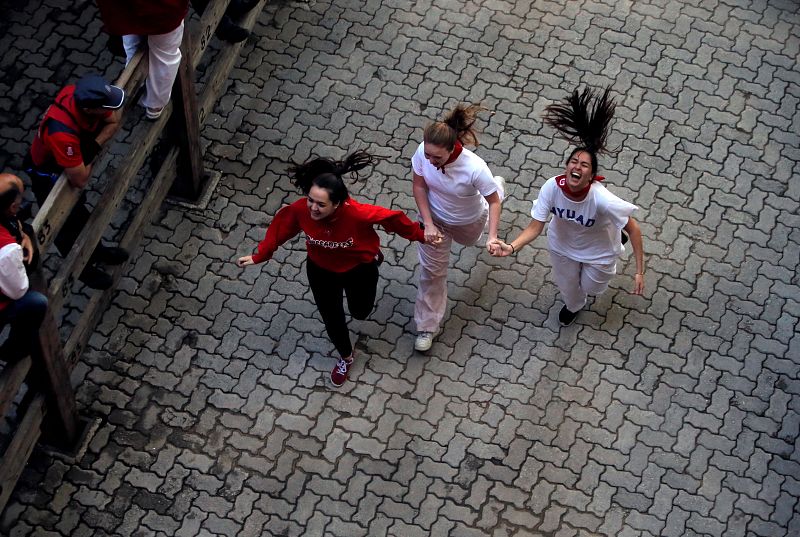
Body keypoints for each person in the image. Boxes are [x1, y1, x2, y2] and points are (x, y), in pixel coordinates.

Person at [236, 151, 430, 387]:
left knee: (360, 312)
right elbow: (280, 230)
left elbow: (393, 219)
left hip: (359, 268)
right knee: (332, 316)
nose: (313, 209)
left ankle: (373, 256)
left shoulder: (357, 214)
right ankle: (346, 357)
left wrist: (422, 235)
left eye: (321, 204)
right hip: (320, 270)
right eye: (310, 200)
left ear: (337, 204)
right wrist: (260, 256)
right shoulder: (300, 211)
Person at [488, 87, 645, 326]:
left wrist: (639, 271)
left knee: (593, 287)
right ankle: (574, 306)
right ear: (566, 166)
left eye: (584, 165)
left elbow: (634, 229)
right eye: (573, 161)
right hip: (562, 246)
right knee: (571, 289)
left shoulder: (602, 199)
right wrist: (512, 247)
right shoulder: (552, 187)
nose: (577, 166)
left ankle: (616, 240)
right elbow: (535, 227)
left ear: (592, 176)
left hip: (598, 252)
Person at [411, 103, 504, 352]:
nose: (430, 161)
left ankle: (498, 186)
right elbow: (419, 186)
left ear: (453, 149)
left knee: (488, 205)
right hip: (435, 220)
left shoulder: (474, 168)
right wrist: (428, 223)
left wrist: (492, 236)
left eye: (436, 157)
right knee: (432, 273)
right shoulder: (423, 152)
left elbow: (493, 203)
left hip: (469, 219)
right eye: (427, 156)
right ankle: (426, 326)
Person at [25, 74, 129, 290]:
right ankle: (83, 271)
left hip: (71, 159)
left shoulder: (81, 97)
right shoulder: (61, 134)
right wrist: (88, 152)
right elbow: (80, 178)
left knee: (81, 213)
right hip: (48, 178)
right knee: (64, 226)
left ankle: (97, 251)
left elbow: (113, 121)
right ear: (90, 110)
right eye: (105, 106)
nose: (110, 109)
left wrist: (92, 146)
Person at [96, 0, 189, 120]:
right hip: (163, 9)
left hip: (123, 7)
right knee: (165, 54)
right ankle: (155, 105)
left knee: (130, 34)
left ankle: (136, 84)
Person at [0, 174, 48, 362]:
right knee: (36, 303)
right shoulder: (6, 250)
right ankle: (14, 352)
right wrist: (20, 250)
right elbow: (17, 290)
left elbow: (17, 225)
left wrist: (24, 235)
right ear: (12, 207)